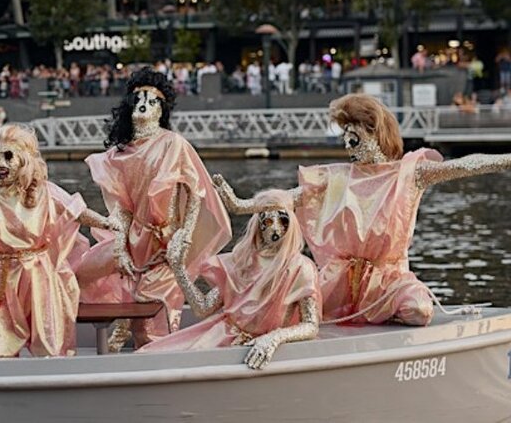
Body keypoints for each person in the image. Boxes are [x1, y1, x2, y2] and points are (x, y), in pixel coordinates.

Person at [215, 94, 511, 326]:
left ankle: (381, 311)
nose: (349, 148)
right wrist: (241, 206)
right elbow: (288, 198)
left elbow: (461, 166)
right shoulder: (337, 176)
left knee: (418, 310)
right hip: (338, 283)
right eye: (345, 141)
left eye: (354, 139)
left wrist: (505, 160)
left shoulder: (408, 174)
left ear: (374, 133)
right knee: (283, 309)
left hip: (389, 280)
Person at [75, 68, 232, 349]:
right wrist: (121, 247)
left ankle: (148, 357)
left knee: (152, 325)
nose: (145, 103)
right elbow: (123, 209)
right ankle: (111, 335)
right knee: (80, 272)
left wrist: (185, 234)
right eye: (139, 98)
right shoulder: (119, 154)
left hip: (164, 246)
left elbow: (194, 193)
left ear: (161, 110)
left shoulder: (174, 144)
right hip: (133, 239)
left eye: (153, 99)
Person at [0, 124, 108, 358]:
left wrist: (108, 223)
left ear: (23, 159)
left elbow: (78, 212)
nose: (1, 164)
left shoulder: (44, 191)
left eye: (8, 156)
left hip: (38, 276)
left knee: (48, 347)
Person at [140, 190, 320, 370]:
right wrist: (178, 268)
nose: (275, 229)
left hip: (261, 349)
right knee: (155, 361)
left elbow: (310, 325)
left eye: (283, 220)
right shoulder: (242, 263)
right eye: (267, 221)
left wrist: (274, 338)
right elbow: (203, 308)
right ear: (259, 226)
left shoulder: (302, 269)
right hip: (220, 339)